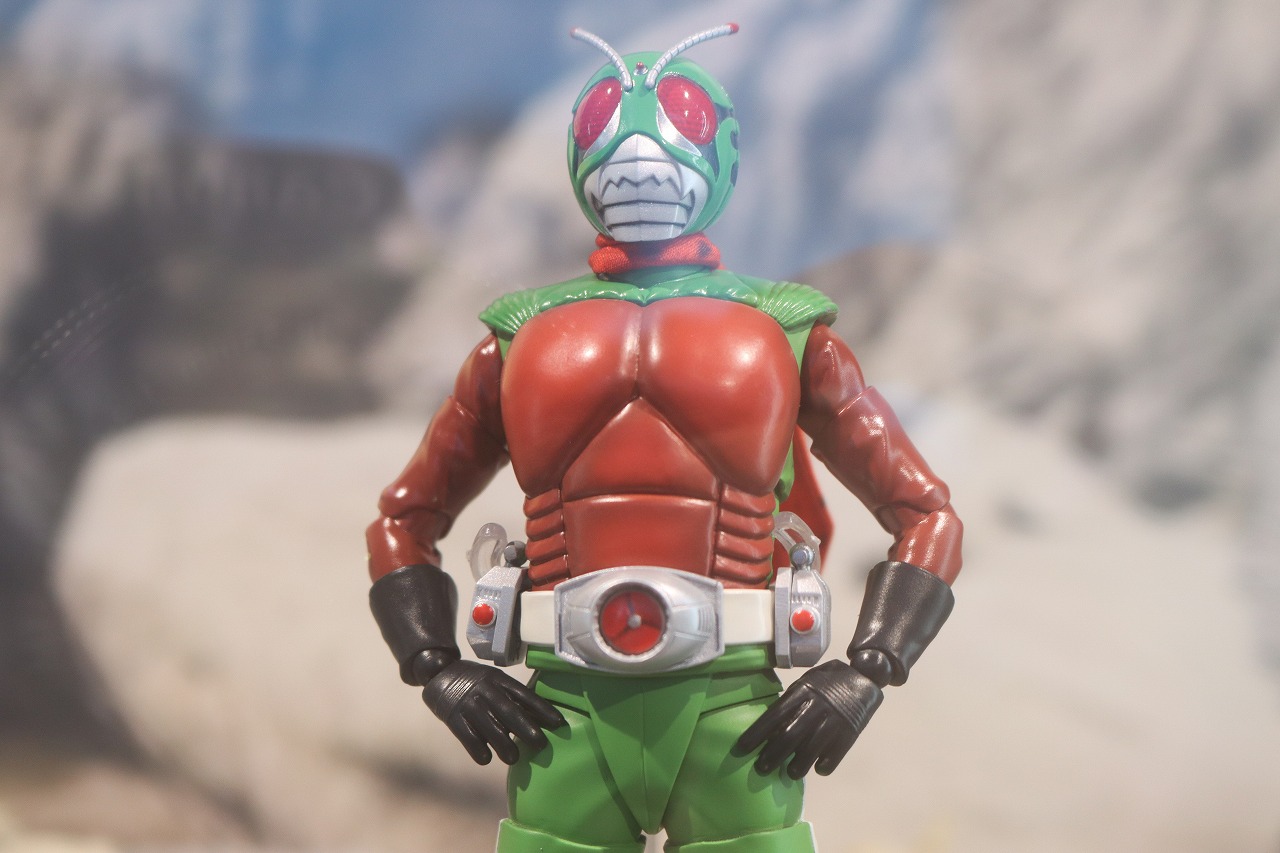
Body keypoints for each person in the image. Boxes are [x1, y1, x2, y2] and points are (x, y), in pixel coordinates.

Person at [366, 24, 962, 853]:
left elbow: (926, 514)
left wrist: (868, 667)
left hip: (734, 705)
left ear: (722, 147)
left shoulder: (788, 332)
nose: (639, 146)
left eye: (678, 113)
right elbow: (404, 519)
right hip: (565, 705)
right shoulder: (515, 339)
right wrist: (434, 662)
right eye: (605, 117)